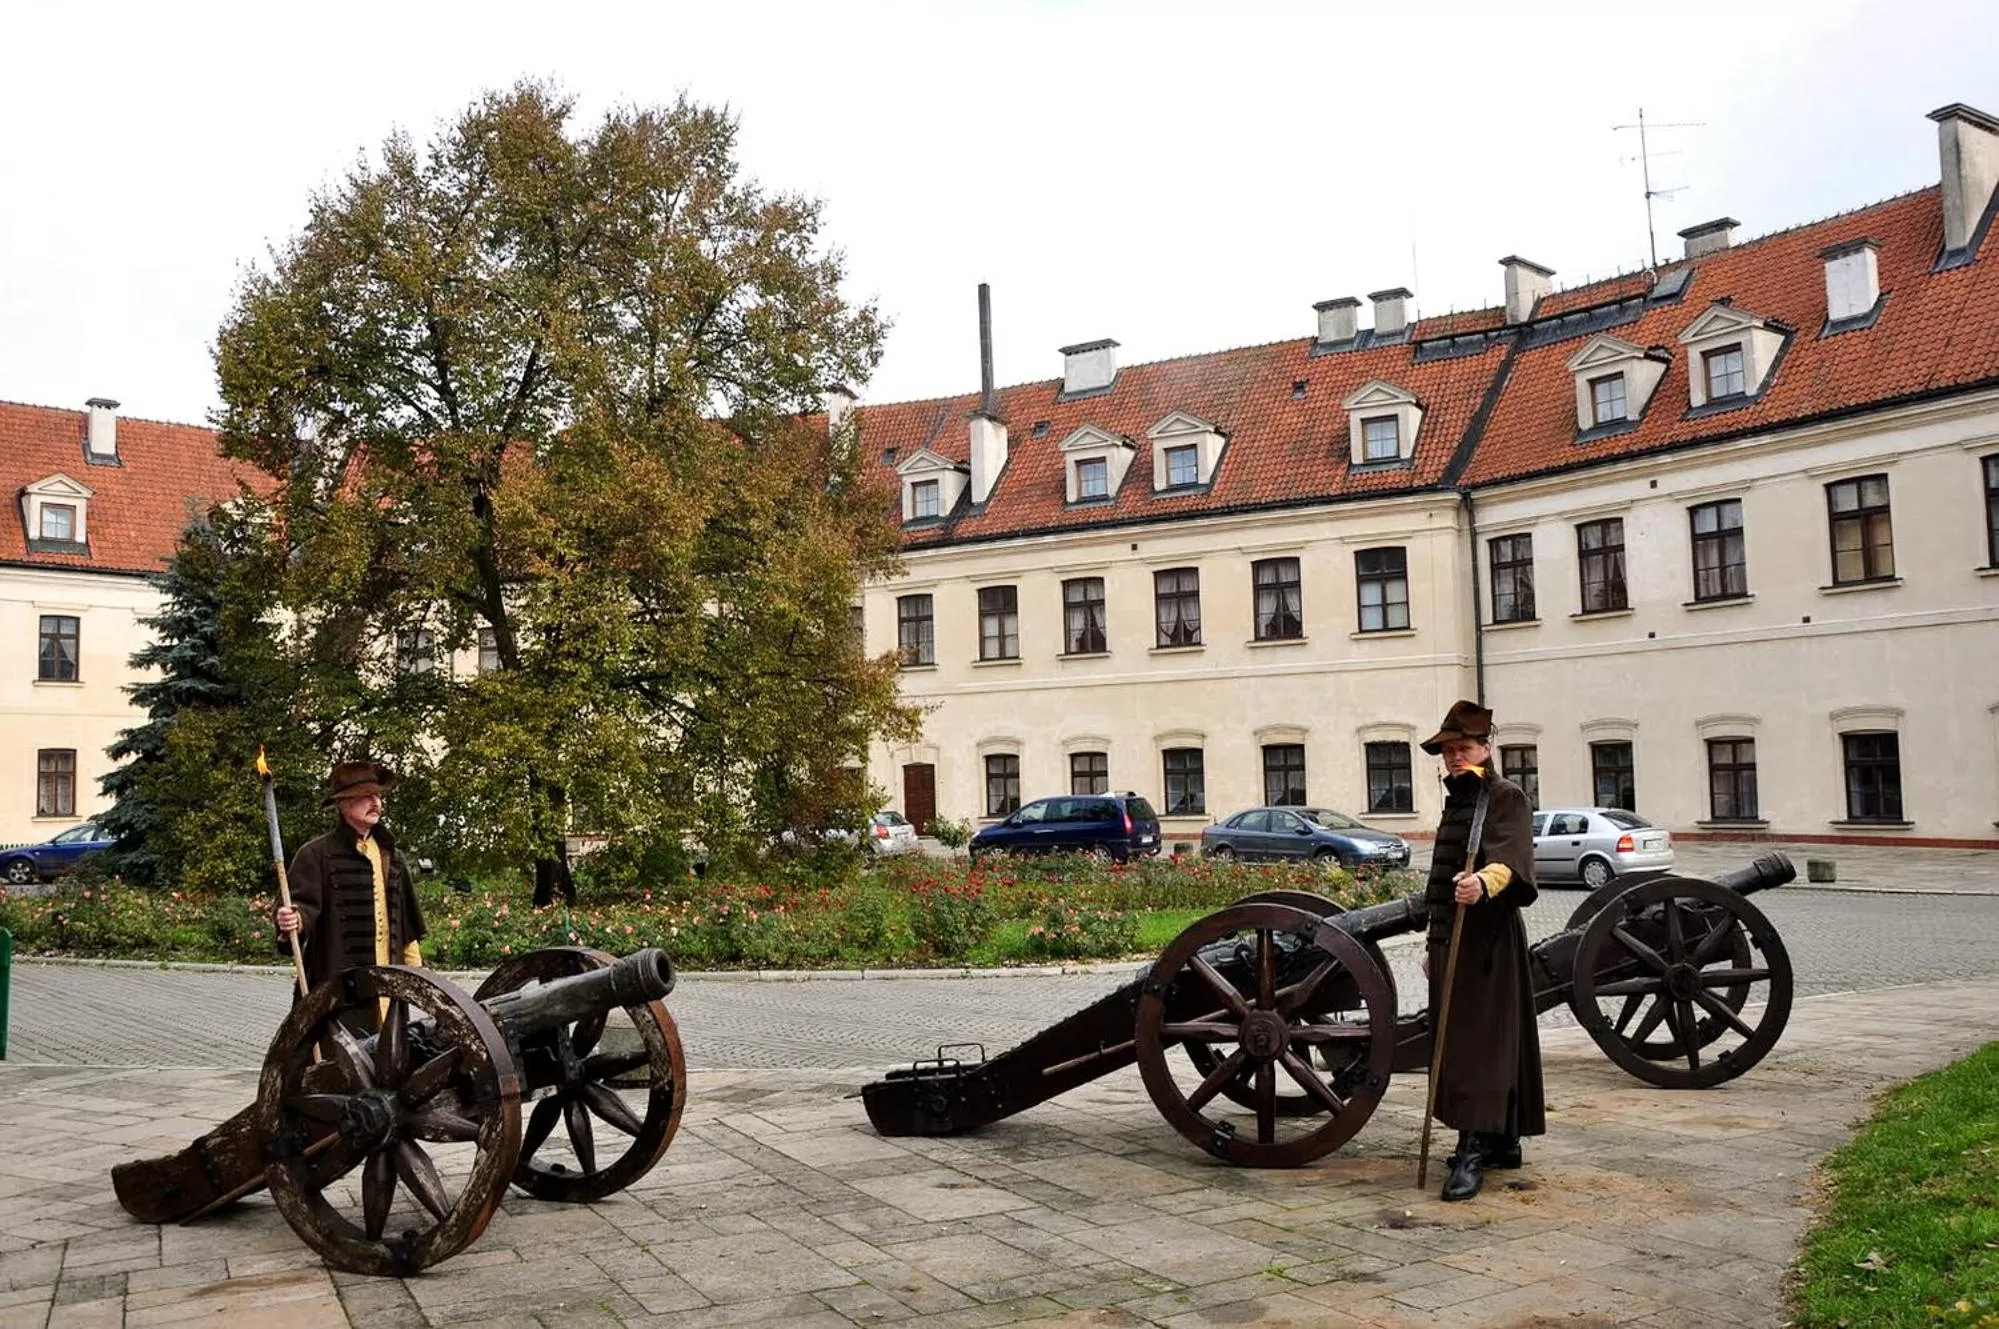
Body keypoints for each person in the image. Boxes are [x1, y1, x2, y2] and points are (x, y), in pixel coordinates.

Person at [1419, 699, 1544, 1201]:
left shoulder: (1504, 795)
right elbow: (1441, 877)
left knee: (1477, 1045)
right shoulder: (1459, 797)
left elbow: (1511, 858)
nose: (1453, 756)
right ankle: (1502, 1141)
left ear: (1485, 748)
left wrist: (1482, 884)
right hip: (1456, 936)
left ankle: (1472, 1148)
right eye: (1448, 749)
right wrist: (1436, 940)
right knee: (1468, 1042)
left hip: (1489, 938)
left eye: (1462, 747)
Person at [275, 760, 426, 1008]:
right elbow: (299, 908)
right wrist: (293, 920)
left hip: (389, 986)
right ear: (343, 804)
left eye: (377, 795)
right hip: (334, 990)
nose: (376, 803)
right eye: (366, 796)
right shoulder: (315, 854)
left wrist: (418, 977)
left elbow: (406, 926)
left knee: (387, 1046)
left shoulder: (392, 857)